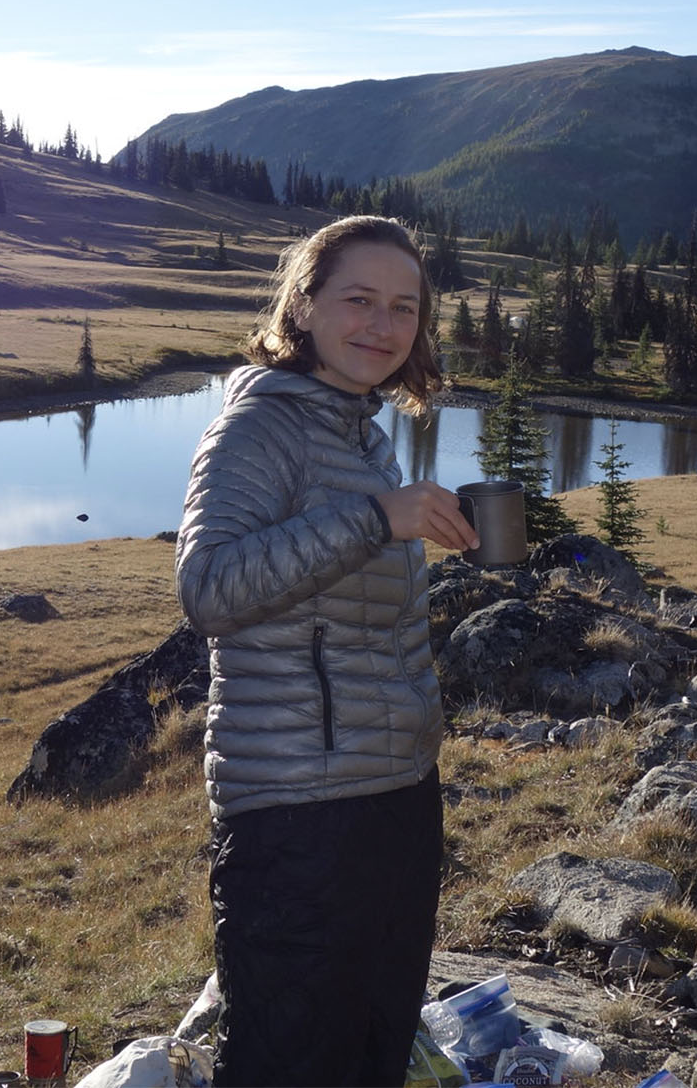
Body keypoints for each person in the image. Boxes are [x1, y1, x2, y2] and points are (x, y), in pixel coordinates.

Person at [175, 215, 477, 1087]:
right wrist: (379, 520)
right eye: (358, 300)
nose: (382, 327)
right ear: (302, 305)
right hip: (296, 815)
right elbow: (209, 589)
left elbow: (352, 613)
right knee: (289, 1062)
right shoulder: (258, 429)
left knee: (372, 1053)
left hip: (392, 800)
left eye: (403, 308)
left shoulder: (362, 436)